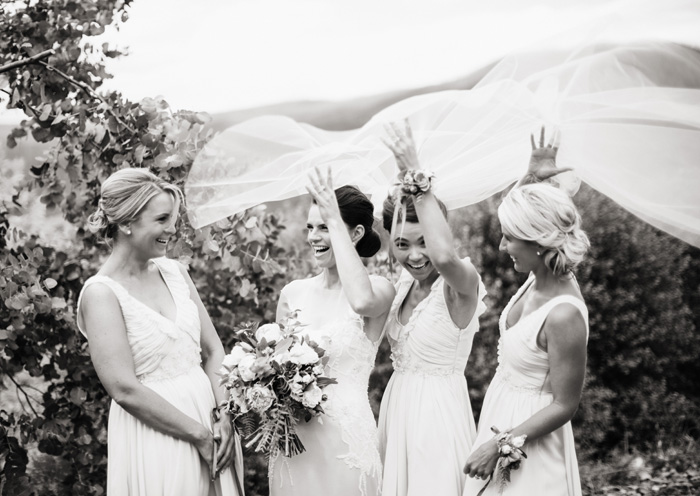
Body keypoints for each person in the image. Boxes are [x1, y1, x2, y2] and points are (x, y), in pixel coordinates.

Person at [76, 168, 244, 495]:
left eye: (175, 218)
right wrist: (197, 435)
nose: (173, 229)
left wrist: (225, 414)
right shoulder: (101, 294)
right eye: (163, 219)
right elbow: (123, 388)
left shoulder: (176, 272)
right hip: (158, 432)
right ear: (125, 222)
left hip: (212, 420)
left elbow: (212, 351)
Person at [462, 130, 590, 496]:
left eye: (510, 238)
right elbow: (527, 211)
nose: (502, 246)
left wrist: (500, 444)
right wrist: (533, 177)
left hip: (531, 439)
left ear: (539, 241)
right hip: (501, 412)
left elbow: (566, 404)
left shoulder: (564, 313)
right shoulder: (539, 275)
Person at [377, 122, 487, 496]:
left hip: (437, 418)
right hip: (398, 413)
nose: (415, 255)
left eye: (423, 241)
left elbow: (443, 256)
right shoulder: (402, 286)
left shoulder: (462, 283)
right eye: (402, 244)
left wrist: (415, 177)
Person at [270, 167, 395, 496]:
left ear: (353, 233)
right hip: (294, 443)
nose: (313, 237)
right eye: (310, 227)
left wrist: (335, 223)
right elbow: (275, 371)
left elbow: (362, 300)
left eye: (324, 227)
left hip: (347, 443)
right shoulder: (292, 293)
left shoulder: (380, 289)